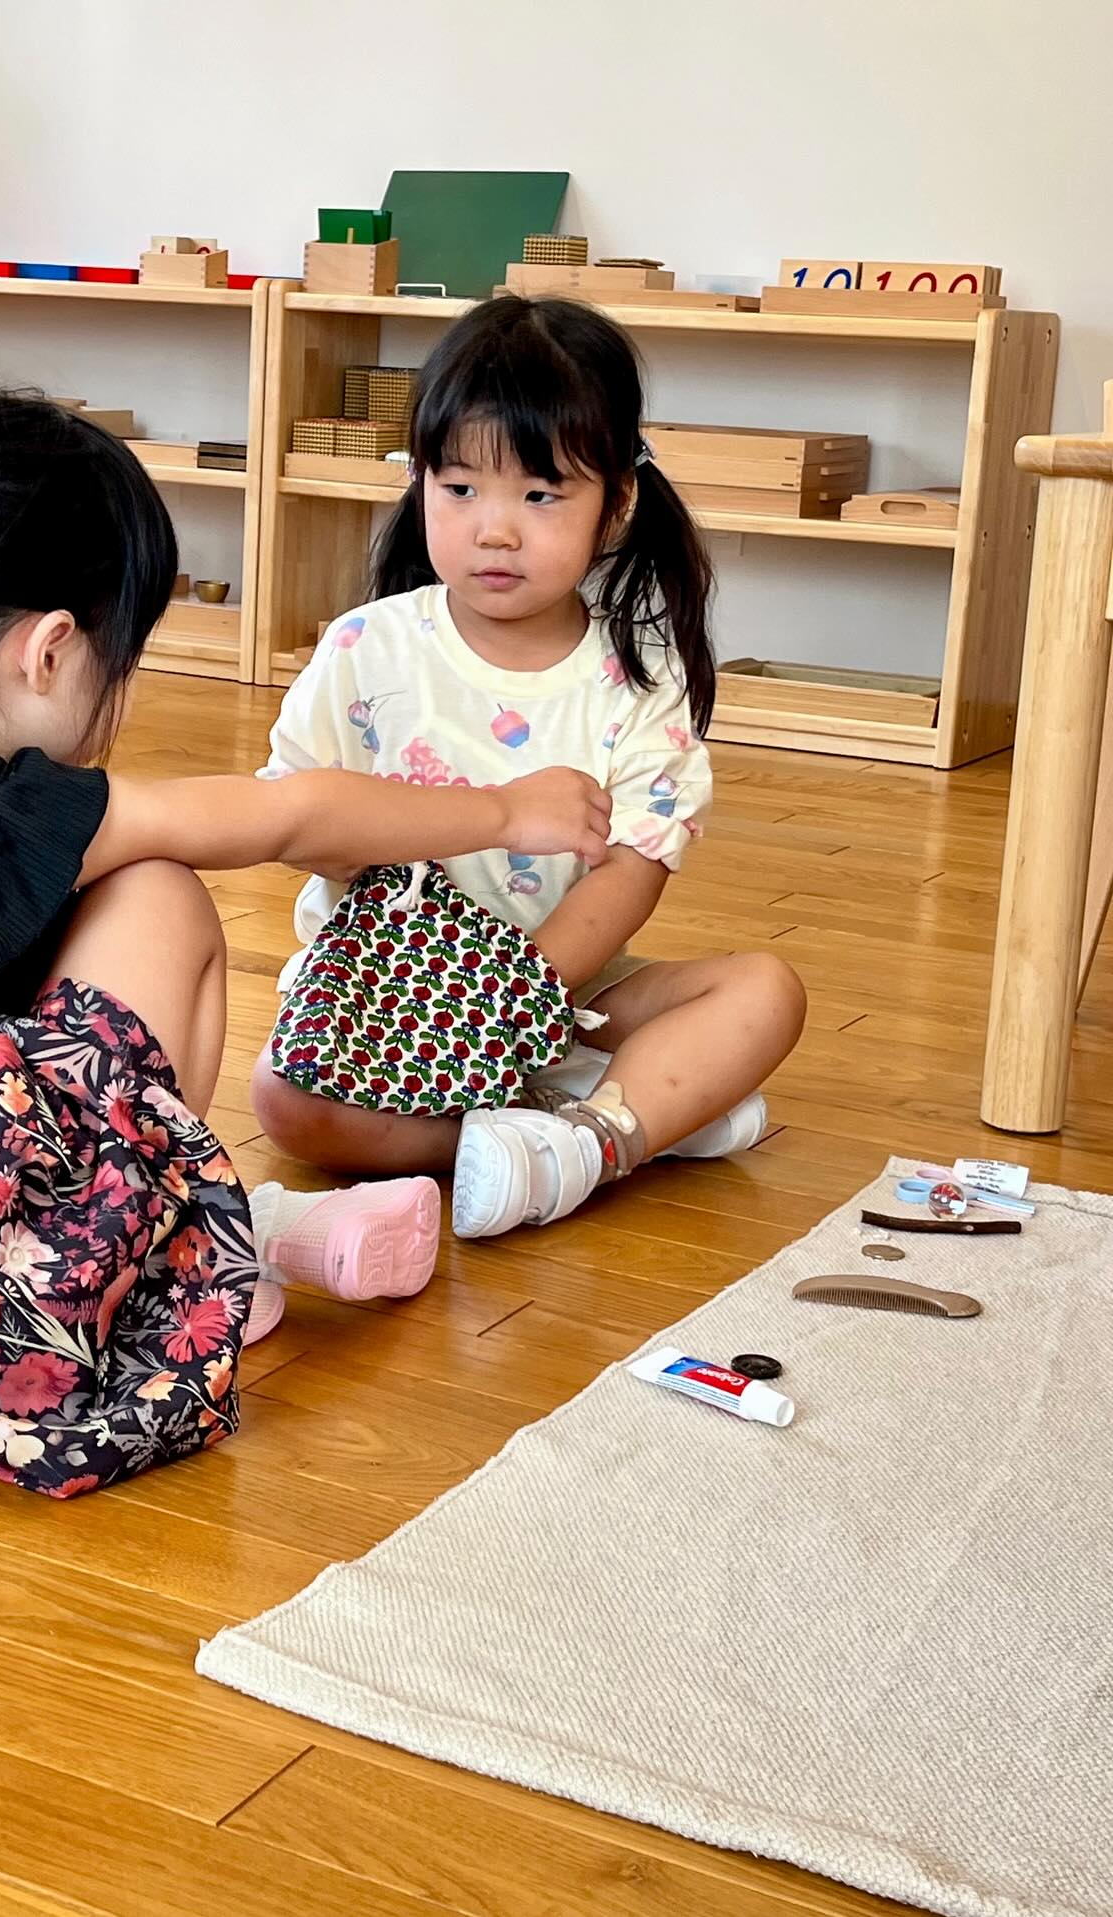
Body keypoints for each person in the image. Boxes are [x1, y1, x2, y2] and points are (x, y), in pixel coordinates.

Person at [0, 390, 611, 1495]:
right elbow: (291, 818)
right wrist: (508, 813)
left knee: (50, 942)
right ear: (51, 652)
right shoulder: (8, 806)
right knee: (161, 888)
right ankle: (167, 1262)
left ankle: (183, 1239)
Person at [251, 297, 806, 1237]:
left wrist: (518, 998)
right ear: (419, 481)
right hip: (386, 995)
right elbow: (293, 817)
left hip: (565, 990)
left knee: (766, 992)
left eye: (541, 496)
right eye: (460, 488)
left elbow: (632, 870)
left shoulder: (638, 680)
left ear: (617, 502)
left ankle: (585, 1139)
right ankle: (624, 1123)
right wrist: (440, 987)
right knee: (285, 1105)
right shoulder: (362, 650)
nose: (495, 529)